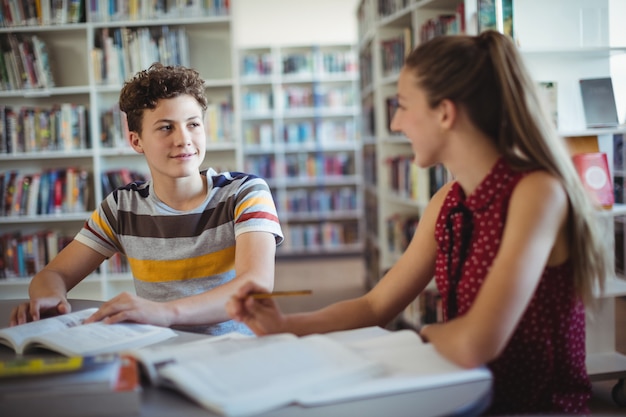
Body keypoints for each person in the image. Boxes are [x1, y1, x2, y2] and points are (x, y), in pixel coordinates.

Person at [227, 30, 610, 415]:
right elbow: (376, 305)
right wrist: (286, 325)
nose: (395, 123)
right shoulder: (447, 202)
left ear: (444, 113)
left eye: (403, 105)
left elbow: (473, 344)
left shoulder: (536, 193)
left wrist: (424, 334)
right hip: (465, 397)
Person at [11, 63, 284, 336]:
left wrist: (165, 312)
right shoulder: (122, 207)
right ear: (136, 141)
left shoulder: (245, 192)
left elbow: (256, 284)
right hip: (157, 352)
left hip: (233, 352)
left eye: (193, 124)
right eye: (166, 128)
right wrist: (49, 296)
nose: (184, 139)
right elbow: (52, 275)